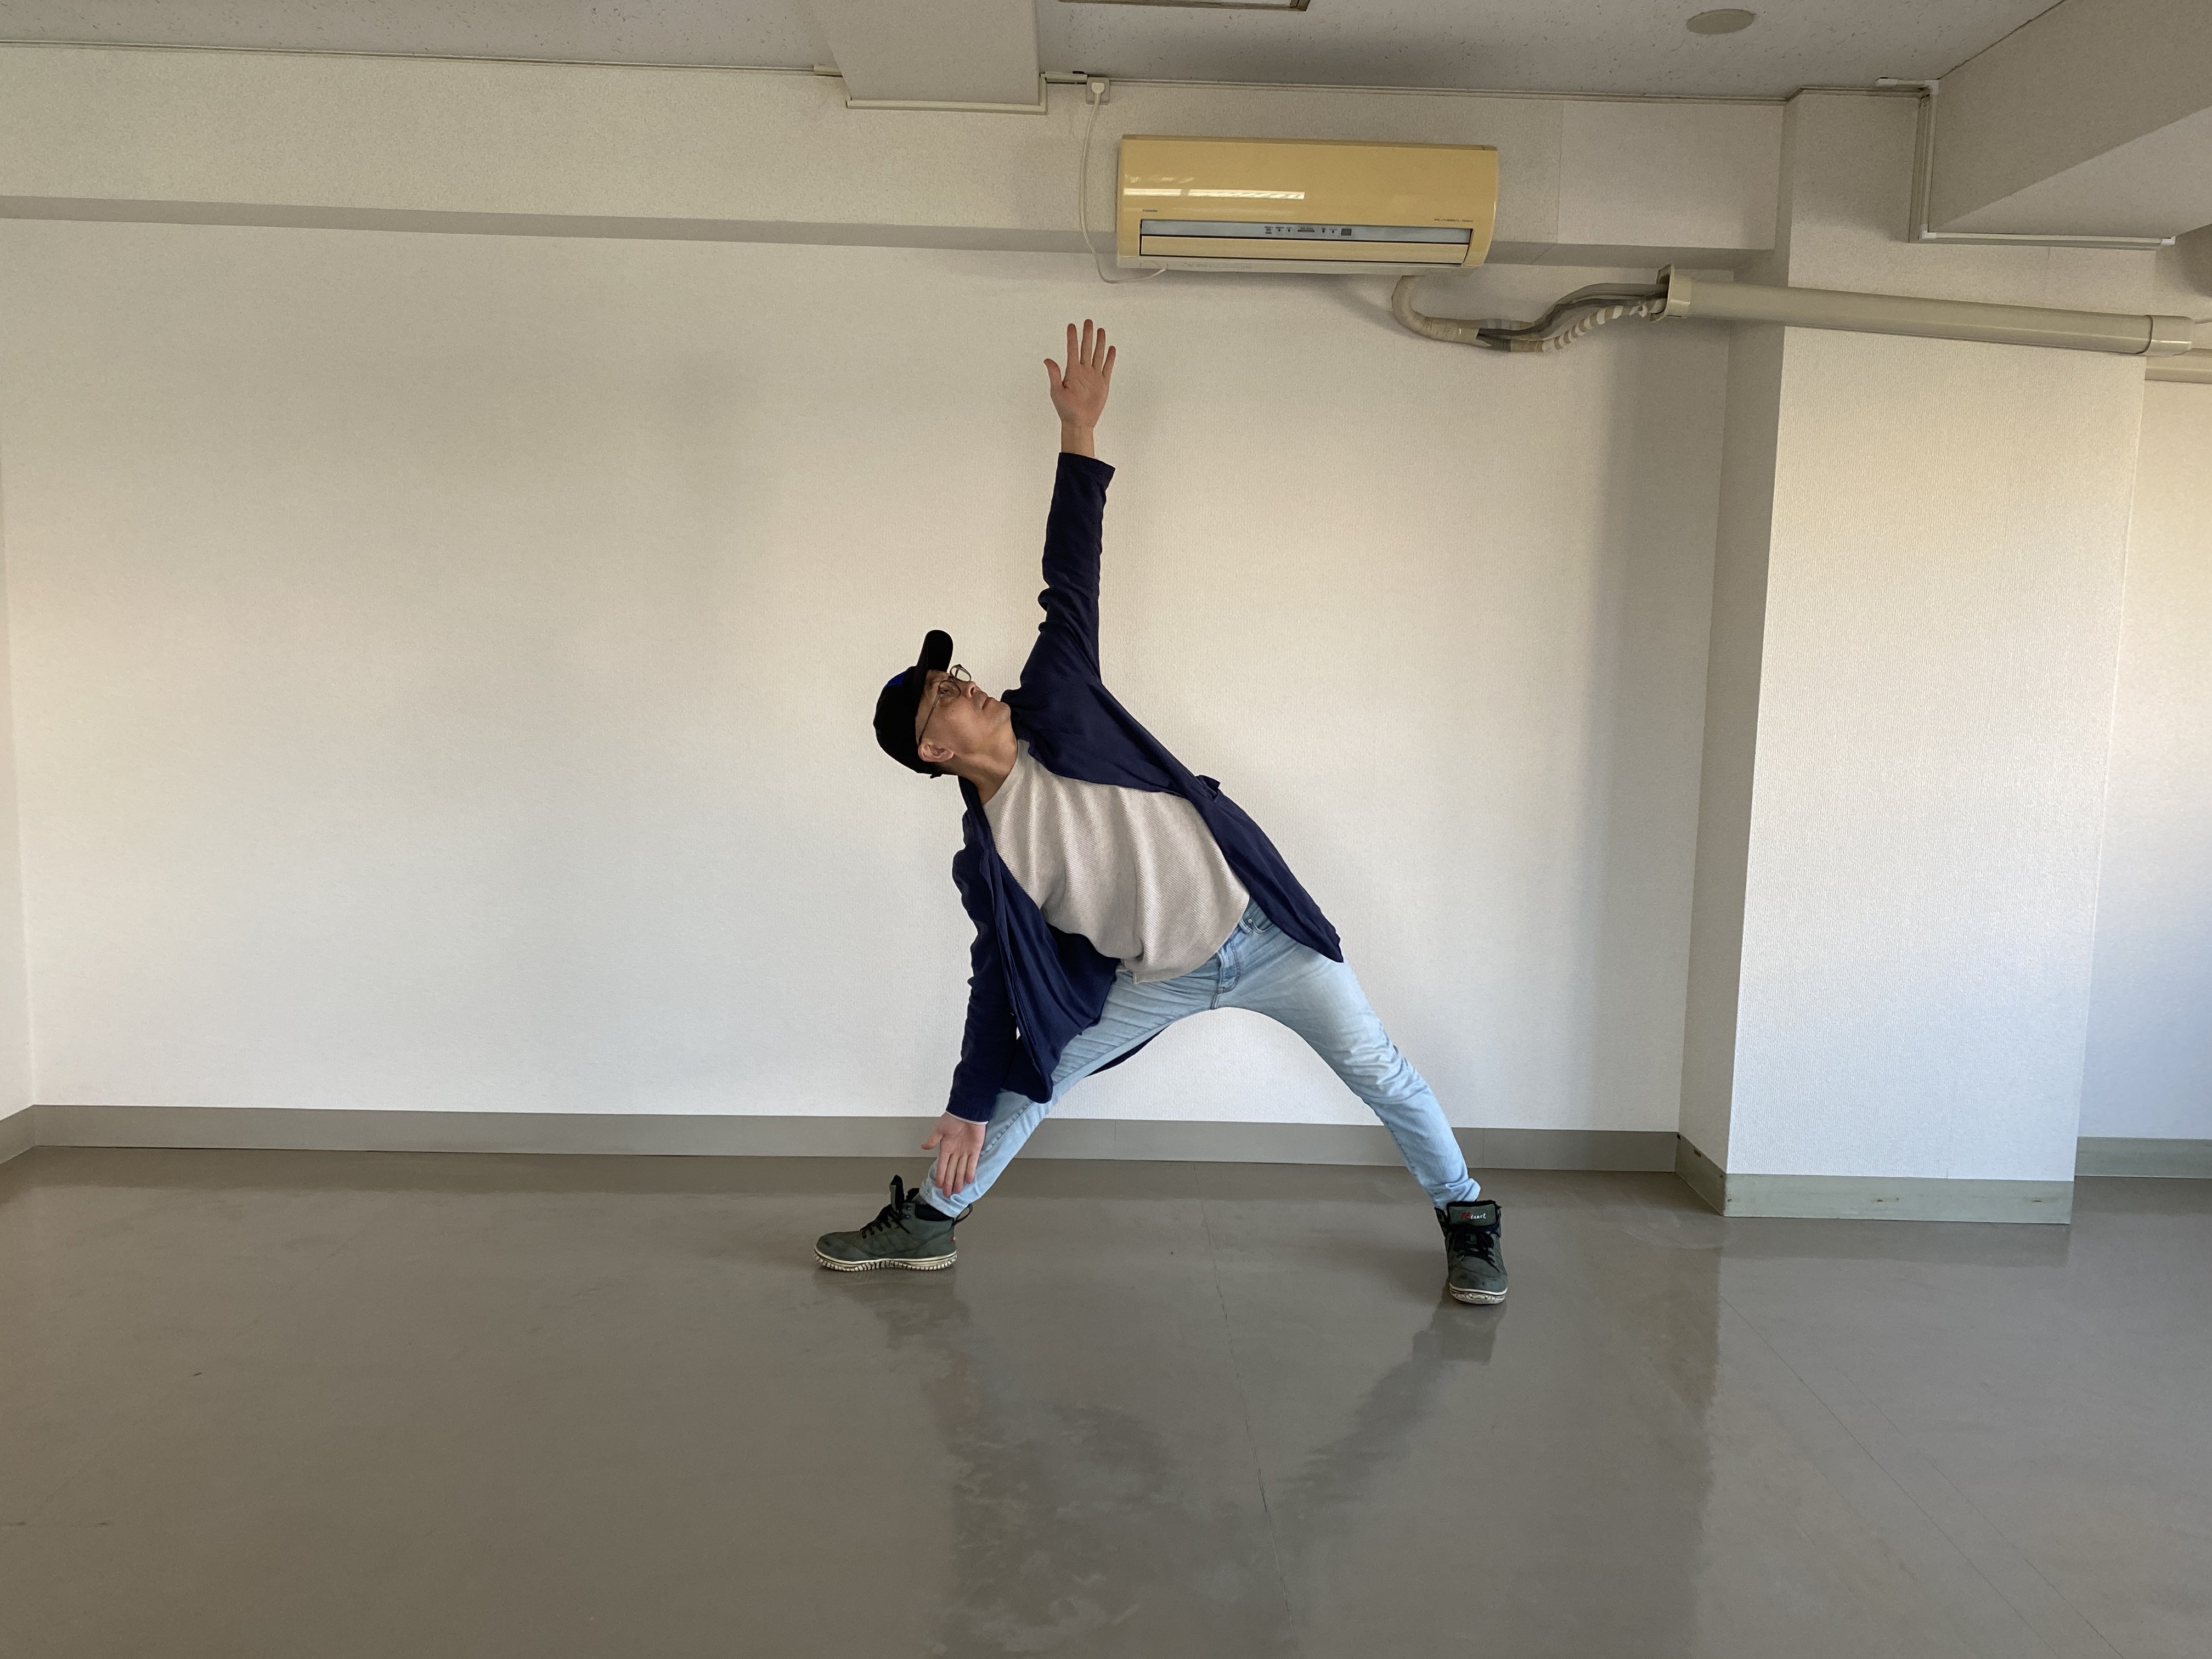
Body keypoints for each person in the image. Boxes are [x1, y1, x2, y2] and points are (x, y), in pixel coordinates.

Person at [816, 320, 1506, 1306]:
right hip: (1154, 978)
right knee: (1031, 1082)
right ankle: (930, 1222)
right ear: (933, 749)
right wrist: (965, 1103)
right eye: (944, 694)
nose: (965, 684)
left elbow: (1070, 577)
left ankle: (1468, 1218)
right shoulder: (987, 861)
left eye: (956, 672)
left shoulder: (1059, 697)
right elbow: (997, 984)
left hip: (1263, 934)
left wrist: (1079, 432)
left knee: (1383, 1073)